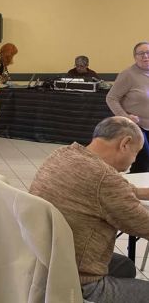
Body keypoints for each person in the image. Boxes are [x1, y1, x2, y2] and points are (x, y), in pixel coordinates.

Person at [29, 116, 149, 303]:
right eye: (136, 153)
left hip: (43, 259)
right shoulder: (105, 179)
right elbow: (144, 224)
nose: (134, 160)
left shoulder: (64, 154)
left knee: (125, 266)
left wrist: (141, 192)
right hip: (79, 281)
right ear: (125, 144)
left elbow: (104, 189)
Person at [106, 41, 149, 173]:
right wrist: (125, 117)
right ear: (135, 57)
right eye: (141, 53)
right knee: (144, 159)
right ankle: (136, 184)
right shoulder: (128, 74)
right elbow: (111, 98)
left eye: (148, 53)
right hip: (137, 126)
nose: (145, 56)